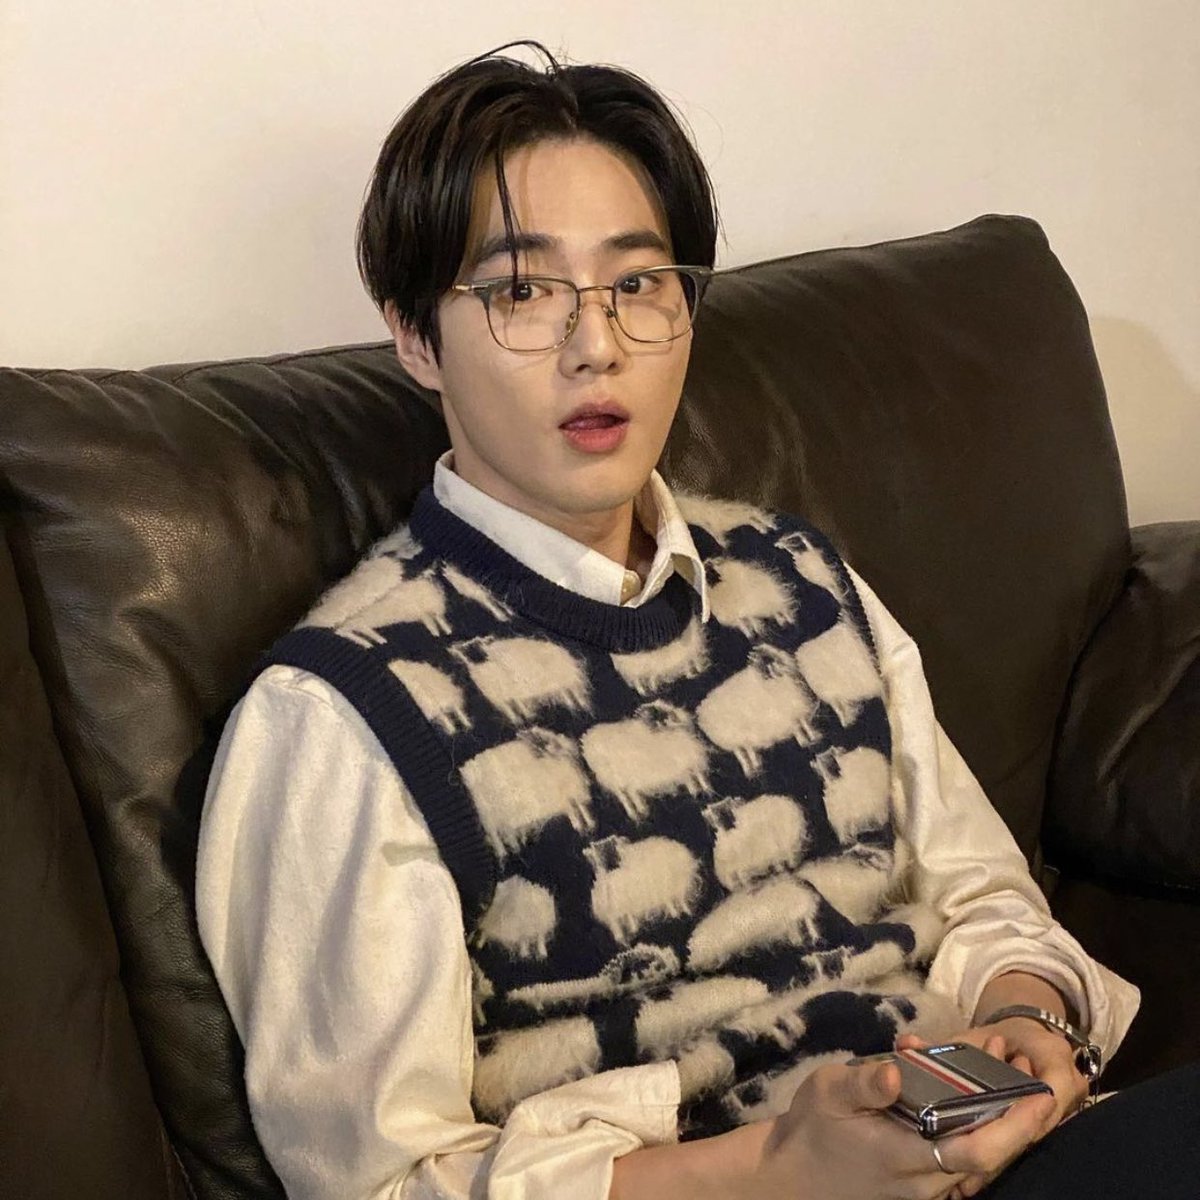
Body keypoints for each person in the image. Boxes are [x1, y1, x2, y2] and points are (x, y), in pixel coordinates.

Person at [196, 41, 1194, 1200]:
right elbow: (384, 1181)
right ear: (416, 337)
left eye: (638, 285)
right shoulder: (344, 718)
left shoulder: (801, 583)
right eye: (523, 292)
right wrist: (774, 1167)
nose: (598, 345)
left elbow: (978, 892)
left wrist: (1026, 1019)